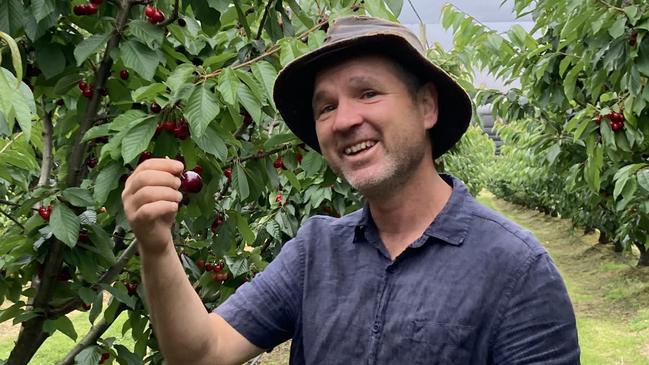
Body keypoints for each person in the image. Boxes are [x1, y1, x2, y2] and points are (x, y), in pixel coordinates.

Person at [122, 16, 580, 365]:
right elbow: (202, 352)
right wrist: (156, 245)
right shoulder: (314, 253)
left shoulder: (517, 271)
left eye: (367, 93)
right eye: (326, 107)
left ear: (426, 106)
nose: (343, 121)